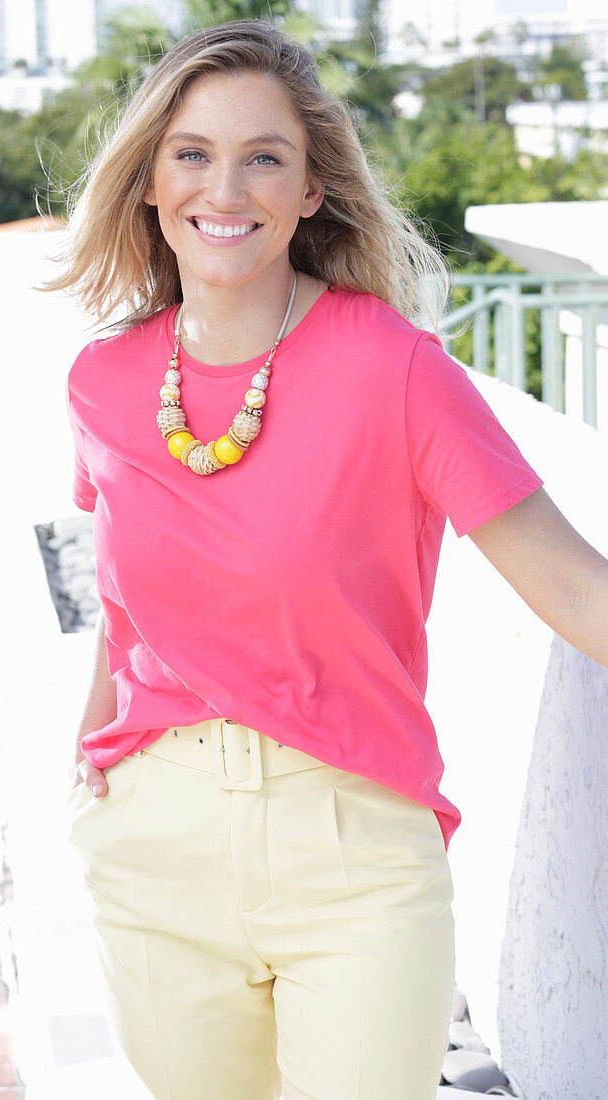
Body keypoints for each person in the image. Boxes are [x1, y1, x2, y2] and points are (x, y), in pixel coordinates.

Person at [43, 19, 608, 1100]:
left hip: (352, 847)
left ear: (310, 191)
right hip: (153, 846)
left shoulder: (393, 369)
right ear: (151, 182)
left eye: (266, 156)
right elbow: (125, 605)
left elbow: (574, 582)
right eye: (193, 152)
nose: (228, 185)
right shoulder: (103, 382)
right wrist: (91, 766)